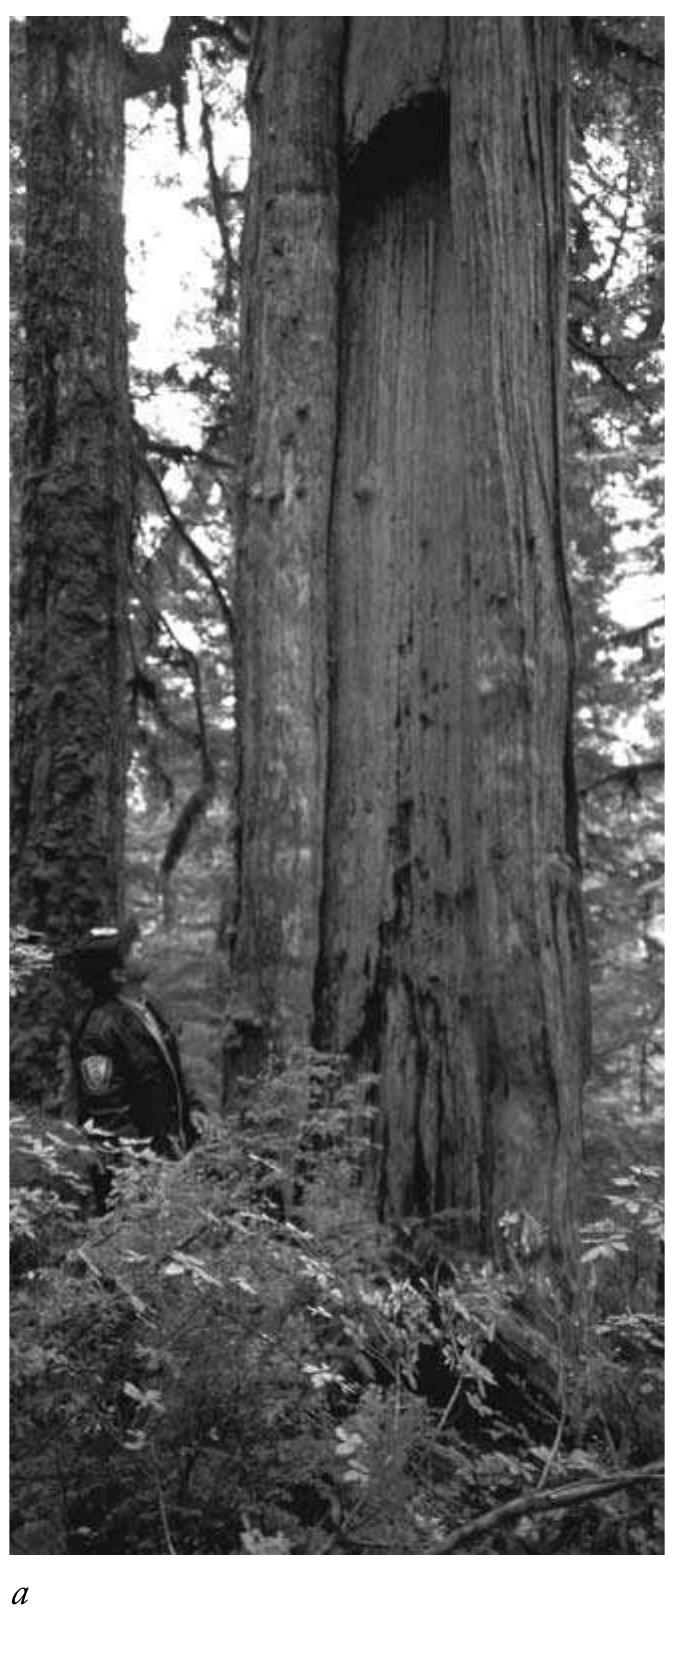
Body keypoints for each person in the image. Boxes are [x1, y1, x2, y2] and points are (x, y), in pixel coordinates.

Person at [66, 925, 205, 1190]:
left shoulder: (148, 1007)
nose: (141, 947)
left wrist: (194, 1109)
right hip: (141, 1183)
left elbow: (170, 1070)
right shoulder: (96, 1035)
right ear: (118, 974)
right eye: (132, 949)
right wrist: (153, 1174)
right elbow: (110, 1123)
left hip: (174, 1158)